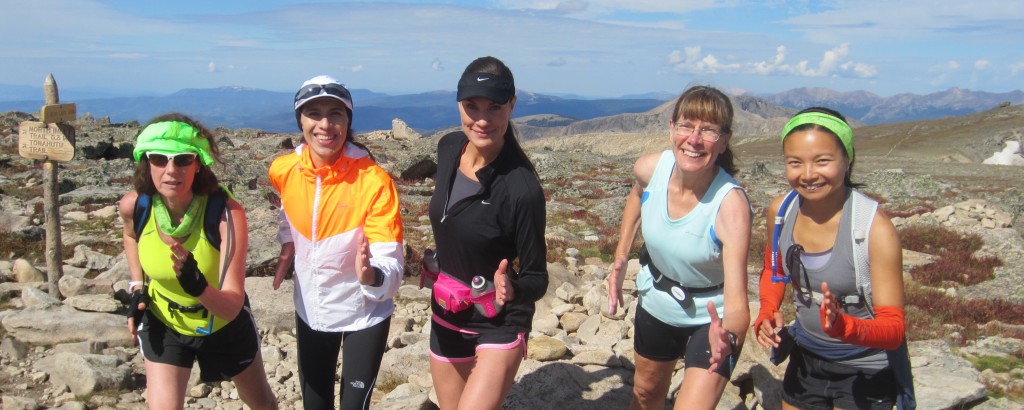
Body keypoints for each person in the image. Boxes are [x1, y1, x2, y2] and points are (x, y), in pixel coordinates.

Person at [753, 107, 910, 409]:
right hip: (806, 358)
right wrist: (768, 310)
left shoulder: (874, 229)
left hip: (865, 368)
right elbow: (774, 271)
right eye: (795, 163)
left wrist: (845, 327)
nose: (808, 174)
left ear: (847, 160)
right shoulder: (781, 212)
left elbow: (893, 330)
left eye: (822, 161)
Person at [606, 85, 752, 410]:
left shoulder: (730, 205)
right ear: (671, 128)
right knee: (644, 394)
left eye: (709, 130)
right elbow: (637, 194)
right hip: (658, 299)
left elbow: (740, 304)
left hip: (713, 318)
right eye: (686, 125)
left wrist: (727, 336)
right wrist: (620, 258)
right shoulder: (650, 168)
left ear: (724, 140)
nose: (695, 139)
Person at [119, 114, 278, 409]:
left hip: (222, 325)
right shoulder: (136, 206)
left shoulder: (226, 214)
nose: (171, 170)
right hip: (165, 321)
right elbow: (131, 236)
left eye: (182, 160)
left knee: (260, 402)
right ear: (146, 161)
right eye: (159, 159)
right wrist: (138, 285)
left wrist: (200, 288)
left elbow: (232, 305)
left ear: (198, 164)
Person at [269, 75, 404, 410]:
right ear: (300, 120)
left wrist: (371, 275)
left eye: (336, 114)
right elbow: (287, 210)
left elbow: (392, 263)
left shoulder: (373, 181)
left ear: (348, 120)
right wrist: (288, 244)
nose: (325, 124)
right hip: (310, 308)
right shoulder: (284, 169)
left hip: (363, 313)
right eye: (314, 113)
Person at [426, 56, 548, 410]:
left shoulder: (521, 189)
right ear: (458, 103)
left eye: (494, 107)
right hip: (447, 311)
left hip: (499, 320)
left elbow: (538, 277)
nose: (481, 119)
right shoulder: (449, 147)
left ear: (512, 105)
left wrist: (513, 289)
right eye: (471, 106)